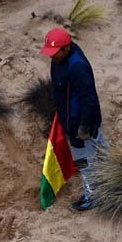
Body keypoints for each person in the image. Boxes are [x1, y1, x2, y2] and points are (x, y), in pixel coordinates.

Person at [40, 26, 109, 211]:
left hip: (81, 124)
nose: (52, 56)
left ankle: (93, 196)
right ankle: (112, 177)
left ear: (66, 48)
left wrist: (84, 127)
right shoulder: (60, 59)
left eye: (55, 52)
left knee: (84, 159)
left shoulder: (77, 67)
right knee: (100, 149)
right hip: (72, 118)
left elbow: (89, 98)